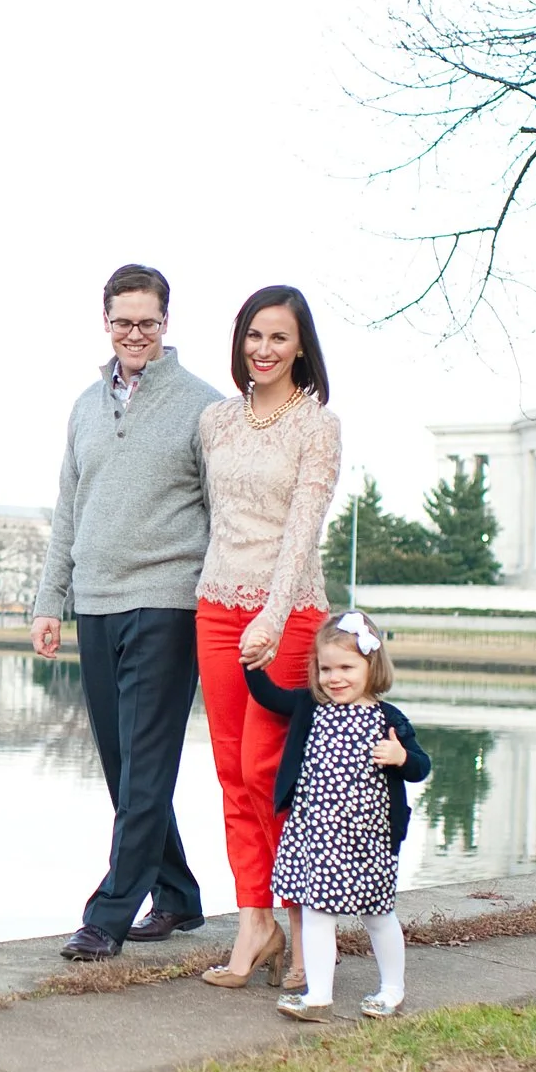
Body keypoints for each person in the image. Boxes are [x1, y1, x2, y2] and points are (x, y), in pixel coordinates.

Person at [32, 264, 223, 961]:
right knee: (123, 766)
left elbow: (222, 512)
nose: (135, 333)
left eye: (147, 321)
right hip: (98, 602)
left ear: (166, 323)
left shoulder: (205, 407)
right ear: (105, 323)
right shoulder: (85, 405)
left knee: (147, 764)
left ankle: (108, 915)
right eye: (123, 322)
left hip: (168, 602)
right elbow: (68, 509)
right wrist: (50, 601)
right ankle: (178, 895)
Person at [195, 285, 342, 989]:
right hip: (216, 608)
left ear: (301, 346)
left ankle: (304, 927)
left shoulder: (318, 426)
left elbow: (301, 532)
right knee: (229, 771)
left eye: (278, 337)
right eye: (254, 335)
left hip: (287, 617)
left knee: (269, 771)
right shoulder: (215, 423)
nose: (263, 349)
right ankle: (254, 922)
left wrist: (273, 617)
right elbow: (210, 517)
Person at [244, 610, 431, 1021]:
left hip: (368, 843)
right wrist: (253, 663)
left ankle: (392, 988)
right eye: (326, 668)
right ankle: (318, 996)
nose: (335, 677)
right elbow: (268, 696)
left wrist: (400, 758)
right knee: (316, 914)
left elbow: (421, 765)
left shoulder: (387, 719)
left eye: (347, 667)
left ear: (372, 666)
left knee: (378, 916)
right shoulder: (311, 707)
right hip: (317, 838)